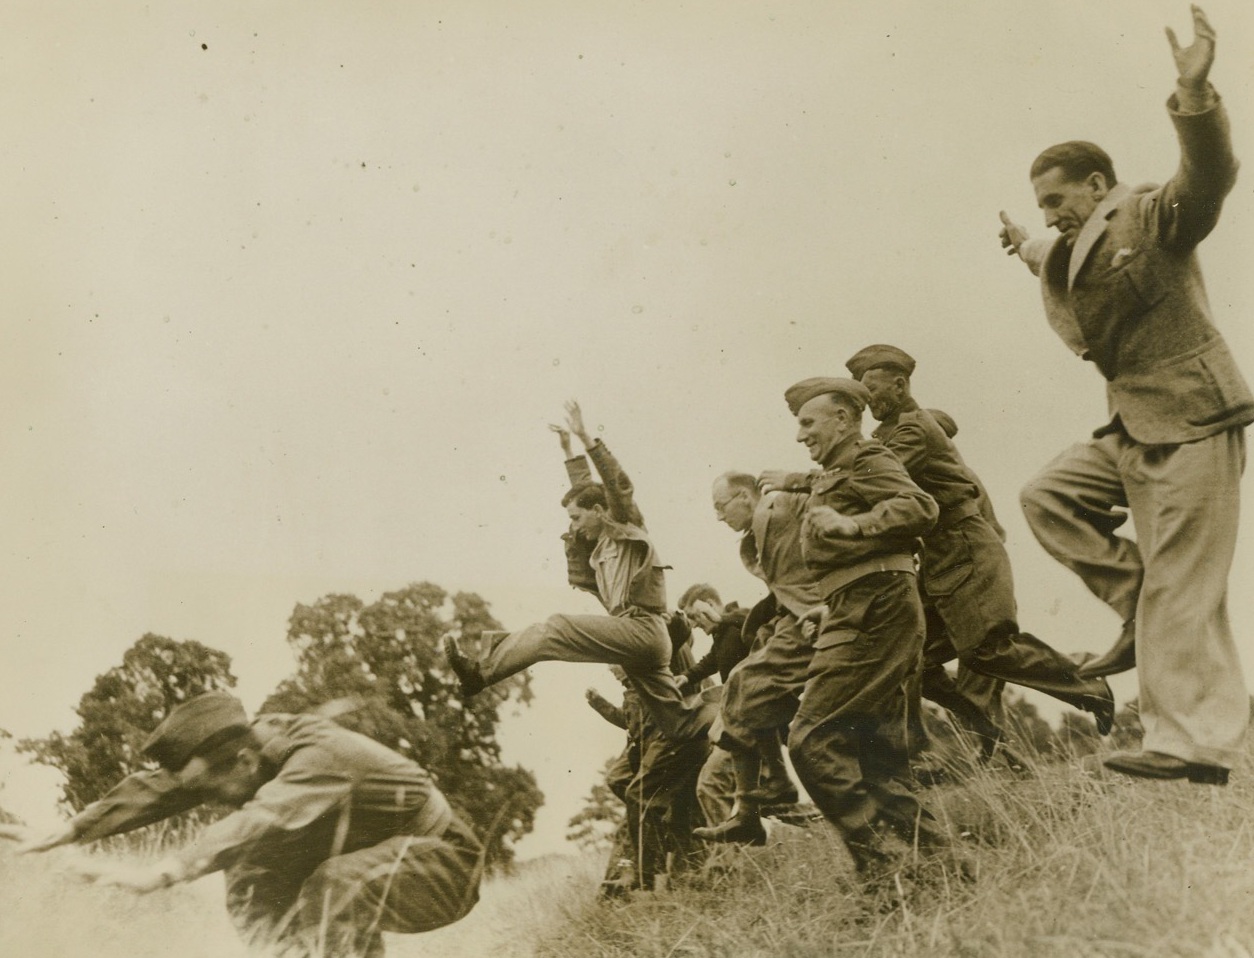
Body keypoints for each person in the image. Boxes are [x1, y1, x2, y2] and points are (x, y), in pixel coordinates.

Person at [999, 6, 1250, 785]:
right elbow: (1058, 253)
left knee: (1185, 589)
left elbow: (1206, 179)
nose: (1050, 214)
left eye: (1057, 199)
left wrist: (1195, 96)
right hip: (1131, 430)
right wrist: (1025, 242)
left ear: (1098, 185)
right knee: (1047, 496)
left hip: (1195, 421)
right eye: (1041, 205)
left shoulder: (1146, 211)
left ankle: (1195, 741)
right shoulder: (1067, 248)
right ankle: (1135, 601)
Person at [0, 691, 482, 958]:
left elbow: (260, 819)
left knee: (332, 887)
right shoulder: (240, 747)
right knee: (251, 880)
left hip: (447, 863)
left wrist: (165, 871)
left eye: (209, 791)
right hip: (374, 856)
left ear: (245, 762)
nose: (206, 801)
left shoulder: (319, 758)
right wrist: (71, 829)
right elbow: (167, 786)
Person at [845, 343, 1116, 747]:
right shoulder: (886, 434)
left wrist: (808, 485)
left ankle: (1085, 678)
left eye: (872, 389)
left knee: (987, 652)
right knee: (907, 657)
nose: (867, 401)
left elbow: (871, 482)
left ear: (899, 386)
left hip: (964, 550)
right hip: (940, 558)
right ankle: (986, 736)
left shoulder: (913, 430)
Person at [444, 401, 715, 741]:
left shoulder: (626, 528)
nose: (574, 526)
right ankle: (736, 712)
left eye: (576, 518)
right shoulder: (599, 545)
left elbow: (614, 488)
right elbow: (588, 491)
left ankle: (480, 673)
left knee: (555, 629)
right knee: (678, 724)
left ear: (601, 512)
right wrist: (568, 451)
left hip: (643, 629)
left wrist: (586, 438)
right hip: (640, 642)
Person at [776, 376, 946, 876]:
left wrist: (854, 525)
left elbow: (920, 506)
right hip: (864, 605)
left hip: (875, 610)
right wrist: (831, 604)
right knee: (881, 759)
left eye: (808, 423)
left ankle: (883, 867)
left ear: (844, 419)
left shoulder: (865, 458)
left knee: (810, 740)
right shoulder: (836, 469)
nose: (800, 435)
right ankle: (944, 870)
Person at [691, 472, 824, 846]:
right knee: (743, 686)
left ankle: (758, 802)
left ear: (746, 497)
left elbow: (834, 486)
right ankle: (760, 799)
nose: (719, 517)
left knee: (745, 685)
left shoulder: (778, 505)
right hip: (791, 618)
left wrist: (794, 480)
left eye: (722, 506)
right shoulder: (755, 534)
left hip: (815, 616)